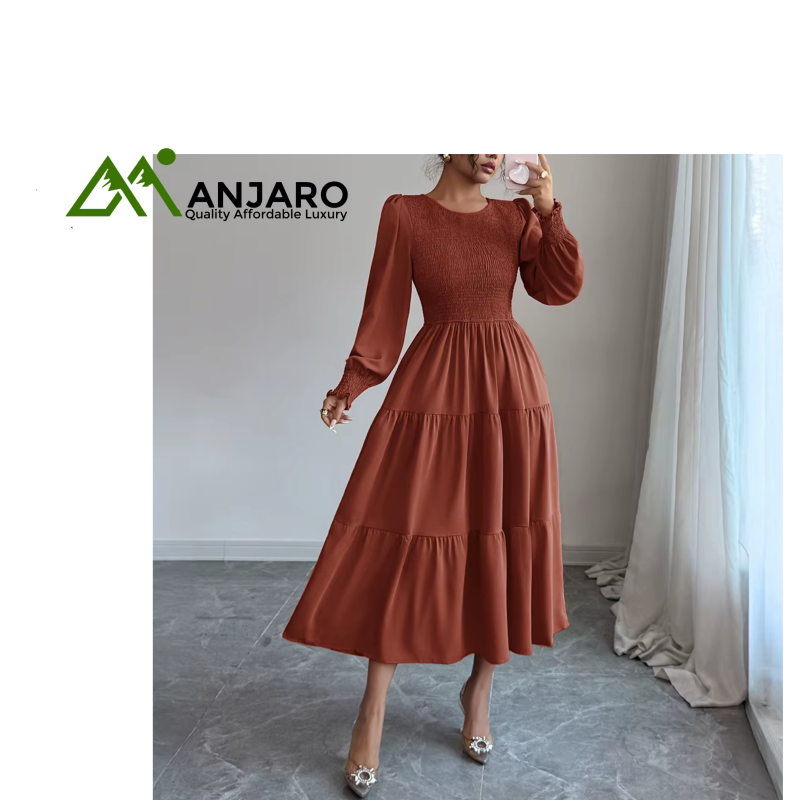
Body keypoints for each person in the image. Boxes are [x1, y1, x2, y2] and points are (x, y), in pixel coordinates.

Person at [283, 154, 584, 797]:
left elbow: (560, 289)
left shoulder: (515, 217)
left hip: (510, 390)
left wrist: (547, 212)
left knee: (499, 532)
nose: (491, 154)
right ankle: (372, 711)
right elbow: (385, 309)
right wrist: (352, 383)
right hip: (436, 383)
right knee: (408, 537)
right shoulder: (406, 214)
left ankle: (479, 691)